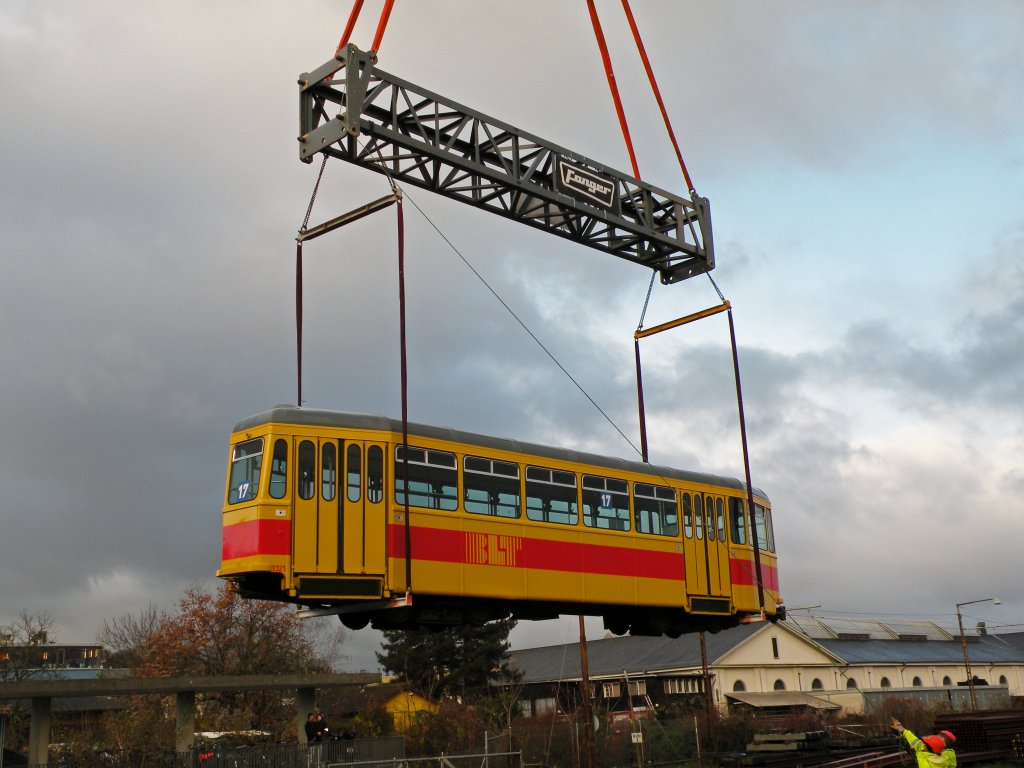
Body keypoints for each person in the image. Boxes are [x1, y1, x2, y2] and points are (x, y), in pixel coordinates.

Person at [891, 719, 957, 768]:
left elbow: (916, 742)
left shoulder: (926, 756)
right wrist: (901, 729)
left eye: (940, 736)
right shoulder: (941, 757)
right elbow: (915, 741)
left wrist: (900, 729)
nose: (922, 744)